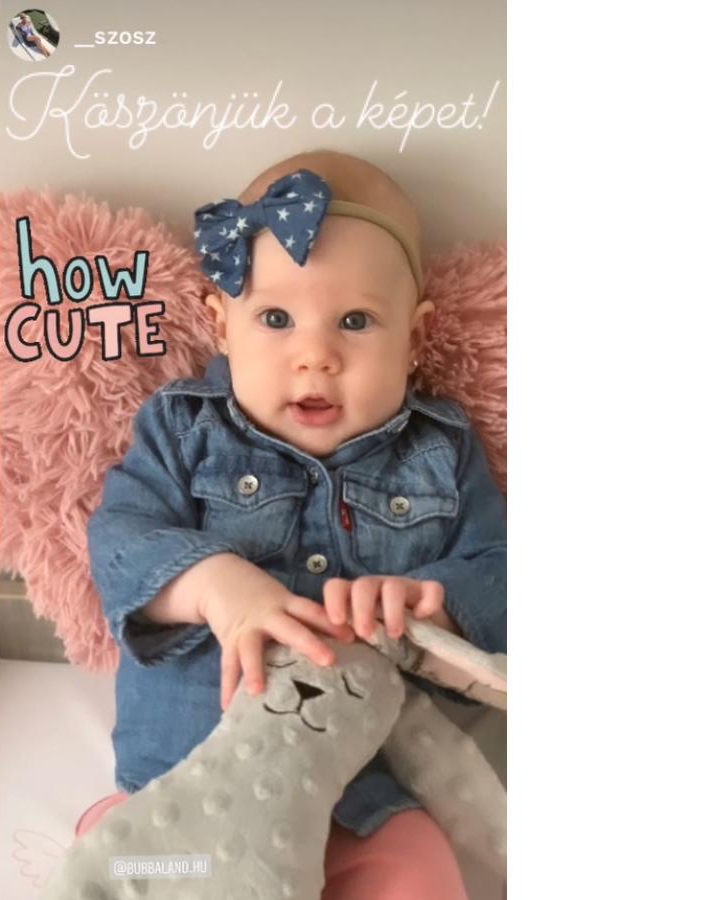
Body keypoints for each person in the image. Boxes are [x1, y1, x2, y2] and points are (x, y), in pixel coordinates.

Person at [85, 150, 506, 898]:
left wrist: (431, 602)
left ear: (414, 338)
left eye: (356, 321)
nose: (315, 356)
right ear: (221, 324)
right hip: (187, 784)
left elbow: (500, 570)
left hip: (364, 795)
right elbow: (121, 539)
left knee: (420, 872)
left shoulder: (440, 451)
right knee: (134, 870)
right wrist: (215, 585)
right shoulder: (184, 430)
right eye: (275, 319)